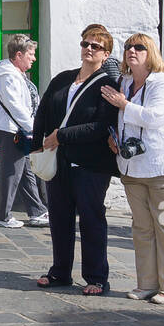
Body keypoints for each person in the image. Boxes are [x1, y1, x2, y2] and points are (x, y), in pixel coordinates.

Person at [102, 33, 164, 303]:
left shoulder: (163, 84)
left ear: (151, 52)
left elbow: (154, 118)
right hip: (134, 170)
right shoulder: (125, 81)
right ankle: (147, 283)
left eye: (139, 47)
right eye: (128, 47)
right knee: (142, 228)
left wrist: (124, 104)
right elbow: (124, 120)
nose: (132, 51)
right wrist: (115, 137)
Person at [32, 24, 118, 295]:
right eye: (85, 44)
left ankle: (96, 277)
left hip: (90, 164)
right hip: (60, 161)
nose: (89, 49)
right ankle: (60, 271)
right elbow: (43, 112)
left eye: (96, 46)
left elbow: (102, 125)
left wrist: (62, 135)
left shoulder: (108, 85)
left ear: (106, 54)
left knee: (91, 219)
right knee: (60, 218)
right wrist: (37, 146)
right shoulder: (62, 79)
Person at [0, 35, 49, 228]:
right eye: (31, 54)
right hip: (10, 130)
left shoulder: (15, 74)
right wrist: (34, 129)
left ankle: (37, 211)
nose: (34, 58)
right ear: (18, 55)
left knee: (25, 171)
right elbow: (15, 106)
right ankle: (1, 216)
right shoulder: (8, 76)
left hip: (18, 129)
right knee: (11, 172)